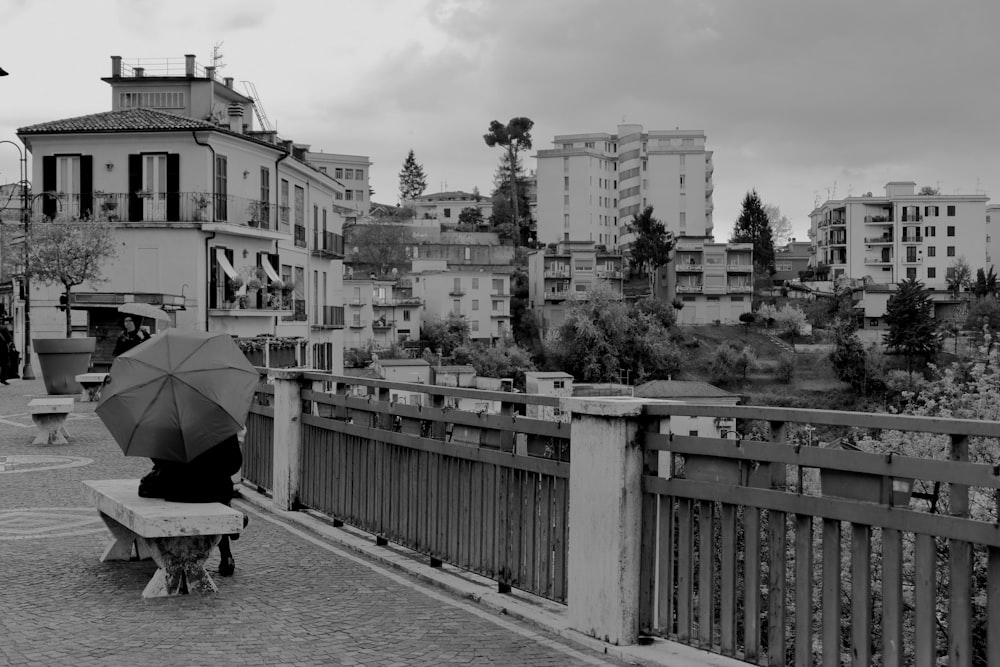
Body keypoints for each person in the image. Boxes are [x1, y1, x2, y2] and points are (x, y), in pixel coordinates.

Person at [137, 433, 248, 576]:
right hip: (214, 492)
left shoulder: (170, 425)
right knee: (220, 497)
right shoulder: (222, 426)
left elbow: (159, 460)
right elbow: (234, 465)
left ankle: (228, 538)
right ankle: (226, 553)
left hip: (179, 492)